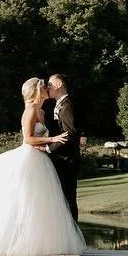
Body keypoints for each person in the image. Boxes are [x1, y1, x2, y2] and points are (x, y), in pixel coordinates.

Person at [0, 77, 86, 256]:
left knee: (42, 203)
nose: (46, 88)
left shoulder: (42, 112)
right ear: (36, 91)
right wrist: (51, 140)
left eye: (48, 86)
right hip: (29, 158)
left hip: (42, 160)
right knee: (24, 202)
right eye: (43, 86)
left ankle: (42, 244)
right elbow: (28, 139)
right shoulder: (30, 110)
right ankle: (16, 242)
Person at [45, 74, 82, 221]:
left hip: (68, 160)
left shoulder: (67, 106)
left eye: (50, 84)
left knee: (68, 199)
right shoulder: (60, 104)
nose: (48, 87)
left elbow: (70, 133)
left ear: (59, 84)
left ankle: (73, 237)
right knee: (63, 199)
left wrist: (49, 148)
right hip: (61, 159)